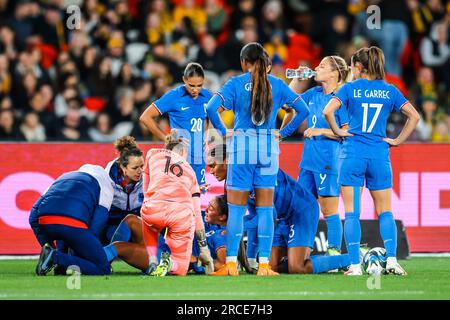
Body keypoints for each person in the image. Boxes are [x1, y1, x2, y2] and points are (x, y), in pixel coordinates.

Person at [206, 42, 310, 276]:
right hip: (268, 150)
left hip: (242, 149)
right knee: (265, 209)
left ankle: (231, 264)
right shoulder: (277, 84)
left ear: (244, 62)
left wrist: (224, 132)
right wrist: (282, 133)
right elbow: (303, 111)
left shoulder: (235, 83)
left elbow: (211, 108)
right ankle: (264, 265)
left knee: (236, 209)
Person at [323, 46, 421, 276]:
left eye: (353, 66)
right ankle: (392, 261)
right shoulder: (390, 90)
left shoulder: (350, 88)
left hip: (353, 154)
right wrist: (396, 140)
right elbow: (414, 116)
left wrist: (338, 130)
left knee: (351, 213)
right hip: (379, 155)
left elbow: (329, 111)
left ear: (358, 66)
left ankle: (355, 266)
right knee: (385, 211)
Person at [207, 143, 356, 274]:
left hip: (301, 211)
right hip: (280, 218)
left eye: (213, 165)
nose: (212, 171)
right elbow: (254, 215)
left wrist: (236, 226)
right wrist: (251, 258)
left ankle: (353, 258)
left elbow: (268, 215)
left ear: (227, 161)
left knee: (298, 268)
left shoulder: (254, 172)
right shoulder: (232, 183)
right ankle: (311, 261)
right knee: (272, 267)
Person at [287, 56, 351, 258]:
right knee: (300, 207)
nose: (316, 68)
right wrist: (297, 78)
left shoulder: (342, 97)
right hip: (308, 162)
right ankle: (299, 252)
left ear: (335, 73)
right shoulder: (314, 93)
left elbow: (348, 132)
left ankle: (333, 257)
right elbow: (288, 104)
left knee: (329, 210)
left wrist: (321, 131)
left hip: (328, 162)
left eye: (322, 66)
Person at [140, 130, 214, 276]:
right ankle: (170, 264)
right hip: (180, 214)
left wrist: (148, 201)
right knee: (180, 269)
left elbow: (146, 184)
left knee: (148, 224)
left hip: (153, 209)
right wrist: (204, 248)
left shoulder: (152, 154)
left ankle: (153, 261)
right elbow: (197, 213)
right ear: (183, 152)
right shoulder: (190, 171)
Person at [29, 164, 114, 276]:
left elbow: (33, 217)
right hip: (74, 225)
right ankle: (56, 258)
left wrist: (48, 245)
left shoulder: (62, 177)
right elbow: (96, 224)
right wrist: (79, 254)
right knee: (103, 269)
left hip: (46, 222)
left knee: (63, 232)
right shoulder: (106, 185)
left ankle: (58, 262)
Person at [139, 62, 212, 186]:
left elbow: (206, 118)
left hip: (199, 158)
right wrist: (166, 138)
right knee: (179, 197)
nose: (195, 89)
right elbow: (145, 117)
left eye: (199, 85)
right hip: (180, 157)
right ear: (184, 79)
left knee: (198, 198)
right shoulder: (174, 96)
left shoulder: (207, 96)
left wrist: (205, 134)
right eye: (191, 85)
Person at [103, 136, 144, 244]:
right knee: (114, 237)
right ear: (123, 167)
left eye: (142, 166)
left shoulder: (147, 178)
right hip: (113, 222)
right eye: (135, 168)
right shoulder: (107, 179)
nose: (140, 171)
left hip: (138, 220)